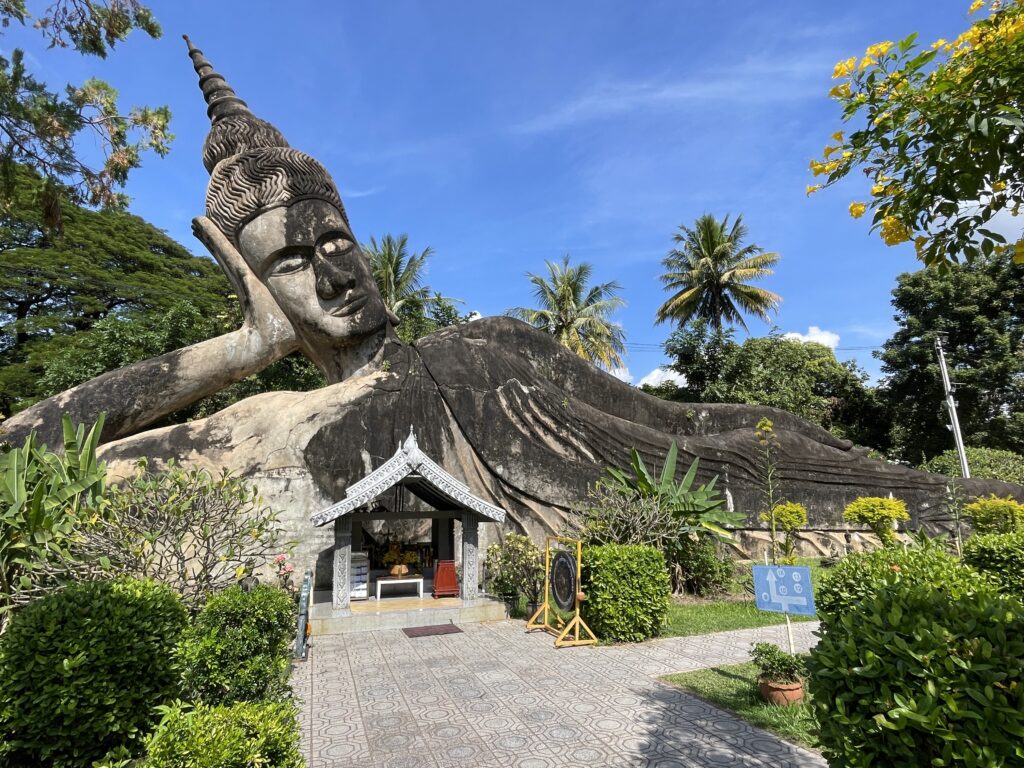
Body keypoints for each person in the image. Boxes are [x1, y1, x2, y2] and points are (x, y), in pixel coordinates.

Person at [3, 40, 1018, 568]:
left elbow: (683, 429)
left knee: (741, 432)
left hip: (671, 454)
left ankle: (940, 494)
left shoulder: (483, 343)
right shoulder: (262, 419)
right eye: (292, 264)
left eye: (338, 240)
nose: (335, 273)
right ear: (244, 275)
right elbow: (25, 455)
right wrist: (243, 345)